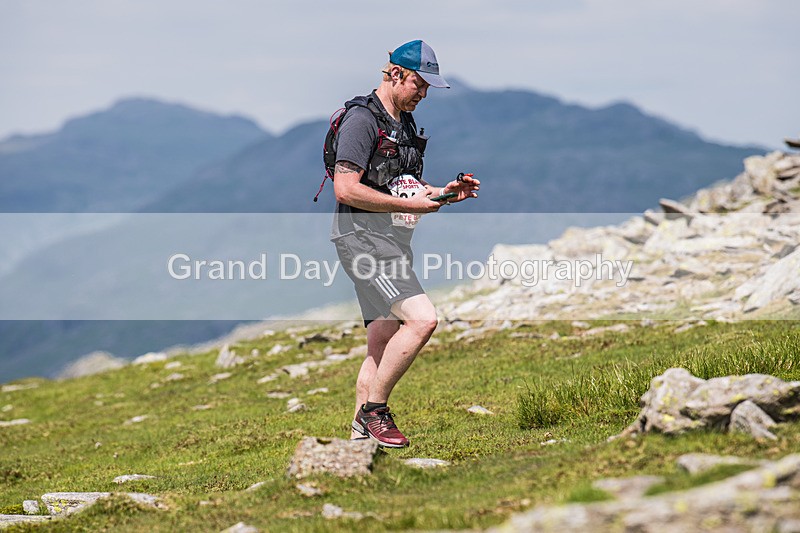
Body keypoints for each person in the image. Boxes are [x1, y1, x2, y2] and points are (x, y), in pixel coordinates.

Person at [329, 40, 480, 447]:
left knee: (380, 342)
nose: (424, 93)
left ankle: (358, 447)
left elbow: (406, 187)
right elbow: (345, 189)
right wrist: (404, 203)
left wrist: (445, 193)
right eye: (419, 84)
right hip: (362, 239)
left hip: (390, 241)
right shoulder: (362, 122)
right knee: (423, 319)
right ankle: (375, 412)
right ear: (395, 74)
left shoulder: (405, 124)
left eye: (429, 87)